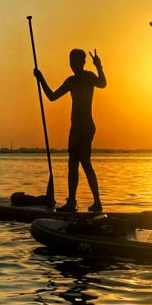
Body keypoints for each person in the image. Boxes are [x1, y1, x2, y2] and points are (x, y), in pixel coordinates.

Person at [34, 49, 107, 212]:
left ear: (79, 62)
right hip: (80, 126)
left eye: (73, 61)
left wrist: (99, 66)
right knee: (79, 163)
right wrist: (41, 79)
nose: (71, 64)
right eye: (70, 61)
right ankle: (87, 202)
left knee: (78, 163)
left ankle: (79, 202)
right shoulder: (74, 80)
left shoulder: (85, 78)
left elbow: (103, 84)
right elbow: (52, 97)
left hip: (83, 126)